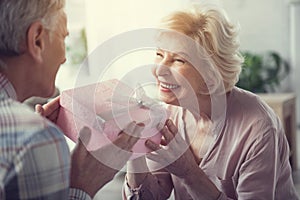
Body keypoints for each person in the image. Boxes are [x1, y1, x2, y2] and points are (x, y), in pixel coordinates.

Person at [124, 4, 299, 200]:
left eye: (178, 60)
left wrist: (189, 172)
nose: (159, 70)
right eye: (159, 54)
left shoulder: (258, 129)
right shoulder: (168, 114)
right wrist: (134, 146)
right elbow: (150, 196)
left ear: (210, 72)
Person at [0, 0, 143, 199]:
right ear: (37, 40)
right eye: (62, 38)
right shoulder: (33, 138)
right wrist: (82, 186)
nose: (64, 58)